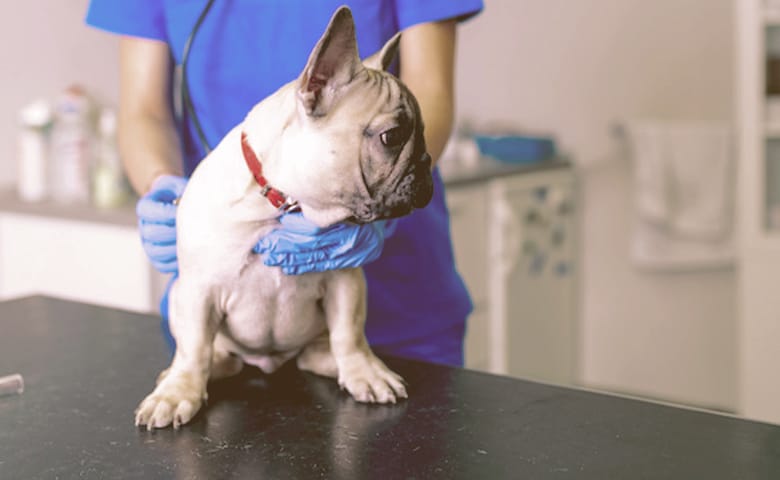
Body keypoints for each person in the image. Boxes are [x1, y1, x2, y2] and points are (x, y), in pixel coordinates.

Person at [85, 1, 483, 367]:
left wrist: (383, 203)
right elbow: (143, 109)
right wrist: (162, 185)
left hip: (399, 307)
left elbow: (429, 88)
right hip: (226, 323)